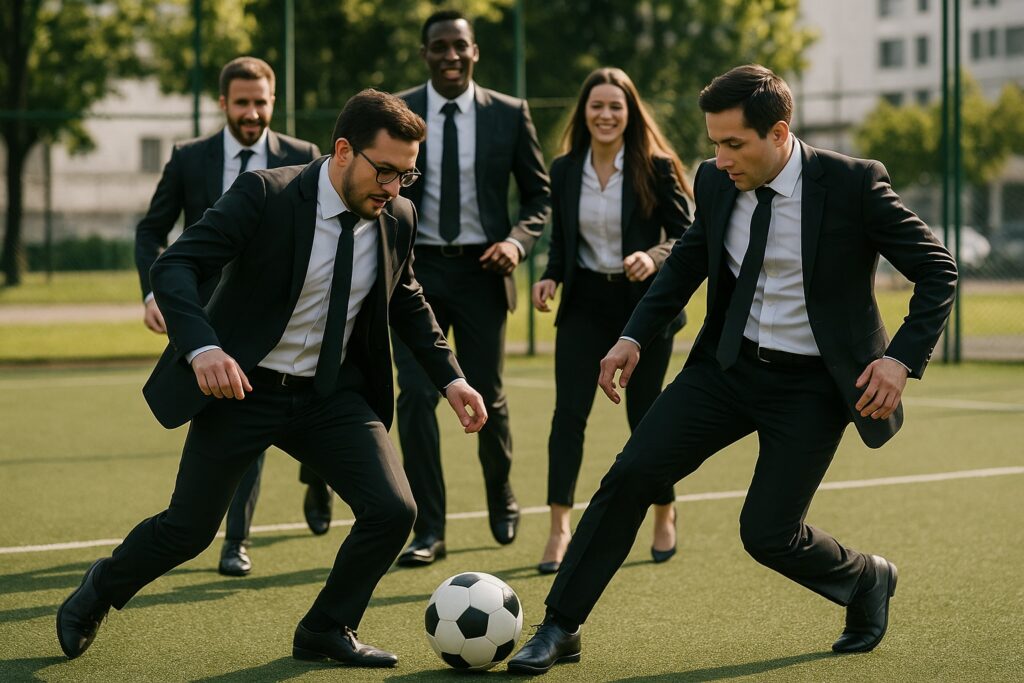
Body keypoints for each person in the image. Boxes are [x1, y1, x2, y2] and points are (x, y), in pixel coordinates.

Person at [508, 64, 958, 674]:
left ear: (779, 133)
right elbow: (685, 263)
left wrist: (900, 359)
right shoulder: (716, 182)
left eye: (733, 144)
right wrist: (632, 336)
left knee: (767, 533)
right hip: (726, 370)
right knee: (632, 473)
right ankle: (560, 626)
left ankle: (865, 579)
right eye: (714, 143)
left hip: (811, 387)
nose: (719, 159)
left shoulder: (852, 185)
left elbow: (937, 270)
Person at [57, 89, 489, 668]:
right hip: (241, 389)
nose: (392, 188)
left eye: (404, 177)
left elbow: (406, 299)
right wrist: (203, 347)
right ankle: (99, 590)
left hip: (329, 396)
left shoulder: (397, 218)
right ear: (343, 151)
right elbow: (175, 265)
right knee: (189, 532)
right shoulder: (267, 193)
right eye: (384, 171)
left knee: (393, 511)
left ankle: (325, 628)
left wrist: (451, 379)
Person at [134, 56, 330, 577]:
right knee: (229, 413)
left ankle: (305, 488)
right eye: (242, 103)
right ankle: (224, 534)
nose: (252, 112)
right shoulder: (189, 158)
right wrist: (153, 293)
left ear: (273, 101)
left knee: (293, 405)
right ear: (224, 103)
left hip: (277, 311)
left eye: (261, 102)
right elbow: (151, 231)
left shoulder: (304, 156)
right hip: (207, 312)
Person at [392, 9, 551, 567]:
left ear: (475, 51)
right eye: (439, 46)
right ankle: (427, 528)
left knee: (488, 392)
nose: (451, 56)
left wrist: (516, 242)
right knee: (414, 397)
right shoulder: (400, 111)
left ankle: (500, 492)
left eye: (460, 46)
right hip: (414, 274)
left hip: (486, 274)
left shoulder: (510, 114)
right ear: (425, 53)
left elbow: (539, 197)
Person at [530, 67, 693, 575]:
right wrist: (550, 276)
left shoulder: (657, 166)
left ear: (629, 113)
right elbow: (562, 244)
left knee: (645, 421)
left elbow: (688, 237)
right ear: (584, 112)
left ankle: (664, 510)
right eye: (596, 106)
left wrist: (653, 255)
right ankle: (559, 526)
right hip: (583, 307)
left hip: (642, 309)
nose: (605, 115)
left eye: (615, 107)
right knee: (568, 417)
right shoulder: (563, 169)